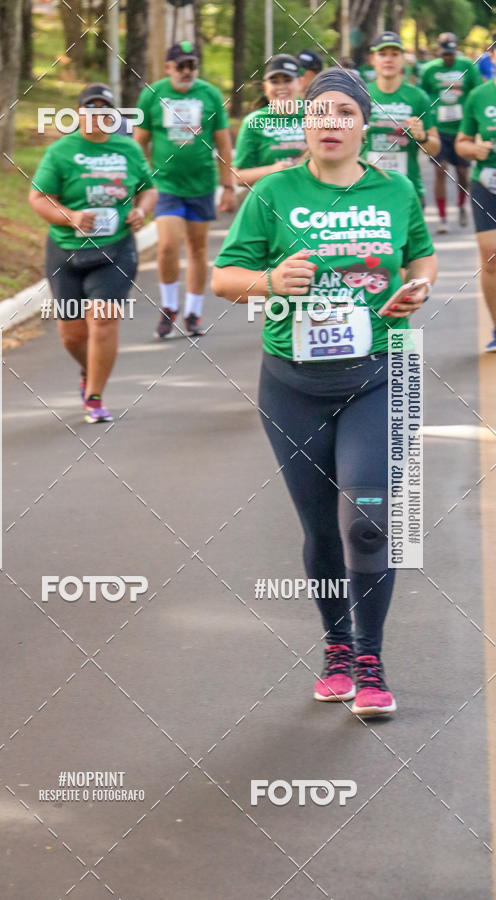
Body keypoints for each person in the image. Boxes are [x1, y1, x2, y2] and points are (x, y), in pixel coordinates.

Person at [211, 68, 437, 717]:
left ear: (365, 123)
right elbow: (227, 279)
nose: (331, 122)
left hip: (377, 374)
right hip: (292, 385)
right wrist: (273, 280)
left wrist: (414, 289)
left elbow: (420, 256)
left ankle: (370, 659)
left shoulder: (393, 190)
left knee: (365, 524)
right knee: (320, 530)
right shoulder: (274, 193)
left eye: (345, 112)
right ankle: (336, 647)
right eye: (320, 112)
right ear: (303, 123)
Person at [29, 83, 157, 423]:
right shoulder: (60, 151)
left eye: (105, 110)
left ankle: (95, 397)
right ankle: (90, 369)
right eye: (91, 109)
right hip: (66, 250)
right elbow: (39, 197)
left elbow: (148, 190)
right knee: (71, 333)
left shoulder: (128, 149)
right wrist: (71, 217)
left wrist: (141, 211)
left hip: (116, 248)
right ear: (79, 114)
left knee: (102, 318)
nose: (97, 115)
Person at [134, 41, 236, 339]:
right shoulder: (152, 95)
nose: (187, 71)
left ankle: (193, 311)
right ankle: (168, 306)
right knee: (167, 245)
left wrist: (227, 185)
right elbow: (139, 142)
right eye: (181, 65)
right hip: (165, 184)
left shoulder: (210, 95)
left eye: (192, 65)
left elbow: (223, 142)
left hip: (202, 185)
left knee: (197, 249)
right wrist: (140, 184)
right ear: (168, 68)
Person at [363, 31, 440, 206]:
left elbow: (434, 149)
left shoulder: (418, 97)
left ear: (403, 59)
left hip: (408, 190)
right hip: (368, 190)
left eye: (394, 54)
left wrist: (423, 137)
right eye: (382, 54)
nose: (388, 59)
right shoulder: (361, 94)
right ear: (372, 59)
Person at [455, 39, 496, 351]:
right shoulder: (478, 97)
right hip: (487, 184)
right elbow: (461, 143)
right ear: (492, 57)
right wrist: (475, 149)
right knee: (491, 259)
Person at [421, 32, 481, 232]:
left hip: (462, 129)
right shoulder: (430, 70)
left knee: (463, 173)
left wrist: (476, 123)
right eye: (445, 54)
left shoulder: (467, 67)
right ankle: (442, 217)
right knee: (440, 169)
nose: (449, 57)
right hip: (439, 129)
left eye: (451, 53)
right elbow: (423, 94)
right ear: (439, 51)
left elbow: (477, 93)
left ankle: (461, 205)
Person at [232, 54, 307, 188]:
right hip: (270, 202)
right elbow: (237, 176)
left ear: (300, 83)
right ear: (265, 87)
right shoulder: (254, 121)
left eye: (287, 80)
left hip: (310, 201)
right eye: (274, 81)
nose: (281, 87)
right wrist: (272, 171)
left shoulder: (315, 115)